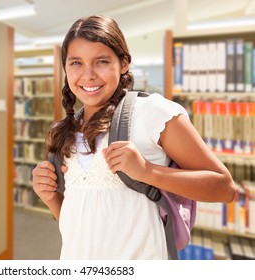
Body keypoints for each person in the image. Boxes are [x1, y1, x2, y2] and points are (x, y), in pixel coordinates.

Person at [31, 15, 236, 260]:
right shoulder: (63, 131)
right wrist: (50, 197)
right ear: (65, 67)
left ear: (124, 63)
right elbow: (76, 220)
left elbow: (225, 189)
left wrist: (147, 171)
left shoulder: (153, 112)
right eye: (76, 63)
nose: (88, 75)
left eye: (101, 61)